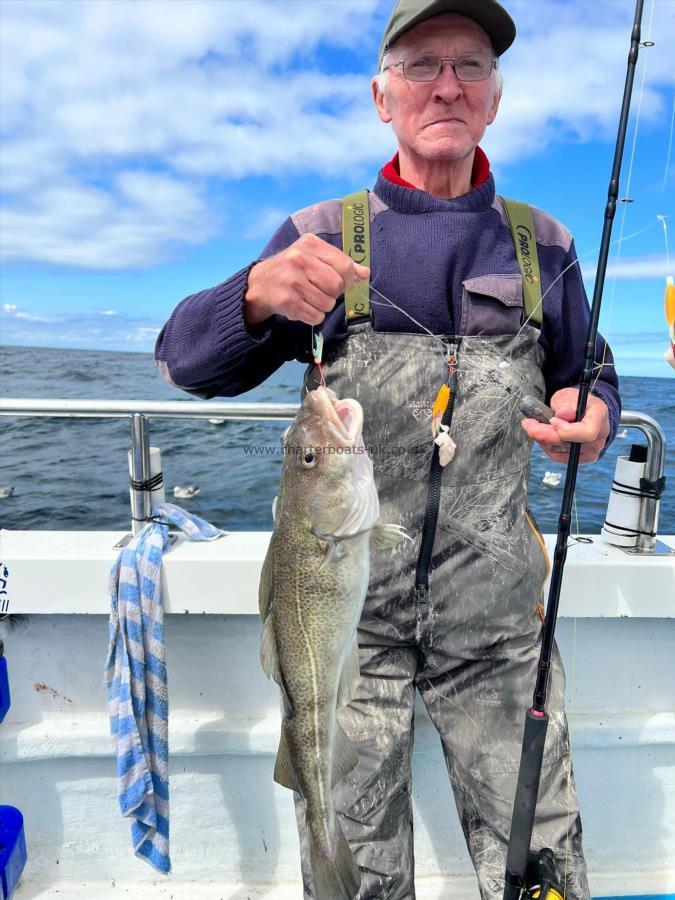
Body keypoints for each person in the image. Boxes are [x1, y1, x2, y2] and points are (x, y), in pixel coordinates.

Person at [156, 1, 619, 897]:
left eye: (470, 66)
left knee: (540, 860)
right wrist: (253, 295)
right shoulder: (319, 235)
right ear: (380, 95)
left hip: (496, 629)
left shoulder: (542, 244)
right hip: (347, 633)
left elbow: (588, 370)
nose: (445, 84)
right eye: (419, 65)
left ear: (494, 99)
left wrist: (591, 409)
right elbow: (187, 366)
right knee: (355, 868)